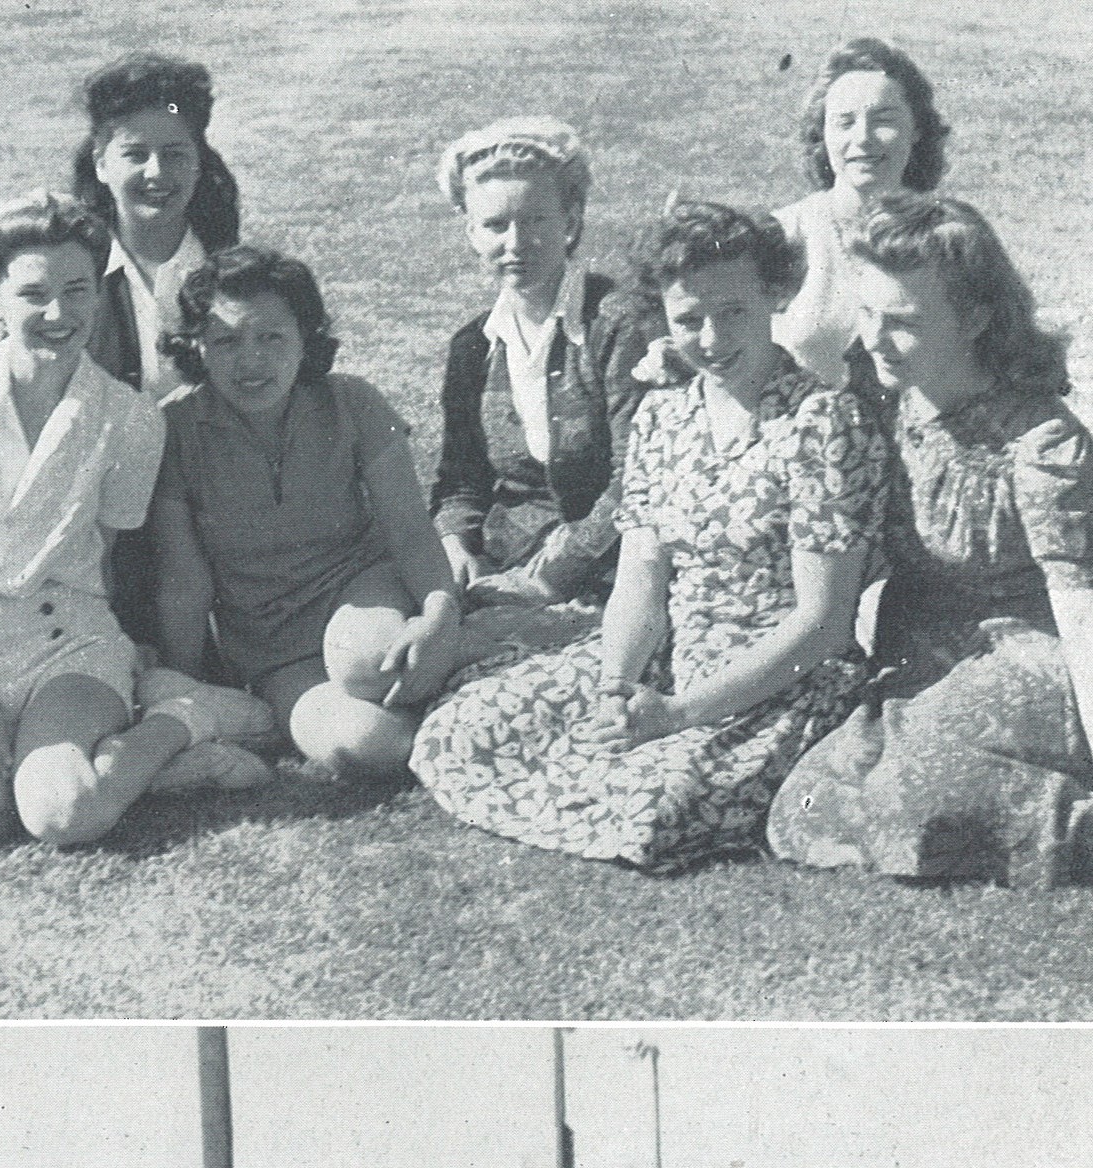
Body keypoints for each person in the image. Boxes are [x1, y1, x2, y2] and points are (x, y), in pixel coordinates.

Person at [411, 201, 887, 871]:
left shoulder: (825, 422)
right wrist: (616, 686)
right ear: (661, 317)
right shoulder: (665, 415)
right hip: (667, 657)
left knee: (654, 808)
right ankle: (604, 754)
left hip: (779, 678)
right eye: (689, 319)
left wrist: (677, 713)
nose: (713, 339)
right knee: (456, 732)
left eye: (734, 312)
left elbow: (823, 623)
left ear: (774, 294)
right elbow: (641, 577)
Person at [0, 190, 265, 857]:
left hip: (64, 644)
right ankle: (92, 771)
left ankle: (179, 718)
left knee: (64, 814)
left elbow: (96, 560)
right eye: (32, 293)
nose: (58, 314)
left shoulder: (131, 418)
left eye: (78, 290)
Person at [768, 195, 1093, 887]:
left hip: (1031, 655)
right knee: (805, 801)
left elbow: (1079, 610)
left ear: (975, 320)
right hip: (921, 652)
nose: (876, 339)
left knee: (907, 803)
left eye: (904, 322)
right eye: (868, 315)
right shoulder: (888, 402)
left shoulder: (1043, 445)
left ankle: (1073, 823)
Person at [151, 245, 467, 774]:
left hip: (359, 592)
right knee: (369, 746)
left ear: (305, 338)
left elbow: (411, 534)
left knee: (368, 666)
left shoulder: (354, 404)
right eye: (226, 341)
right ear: (197, 348)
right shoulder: (175, 431)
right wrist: (186, 691)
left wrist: (440, 614)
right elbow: (185, 580)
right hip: (271, 646)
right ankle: (438, 693)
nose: (251, 361)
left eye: (271, 337)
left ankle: (448, 650)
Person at [430, 117, 660, 609]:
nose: (515, 243)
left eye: (535, 220)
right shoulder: (473, 346)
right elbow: (461, 482)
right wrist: (456, 544)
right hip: (504, 567)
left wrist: (552, 578)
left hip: (613, 576)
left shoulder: (617, 324)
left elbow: (639, 478)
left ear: (571, 222)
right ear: (471, 232)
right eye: (495, 225)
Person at [69, 51, 241, 647]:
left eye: (176, 154)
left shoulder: (230, 274)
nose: (156, 172)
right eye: (134, 153)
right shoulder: (71, 277)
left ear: (201, 161)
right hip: (94, 509)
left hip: (207, 504)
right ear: (99, 162)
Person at [772, 40, 950, 387]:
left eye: (884, 120)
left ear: (917, 130)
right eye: (844, 122)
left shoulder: (948, 235)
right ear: (821, 133)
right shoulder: (784, 232)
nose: (863, 138)